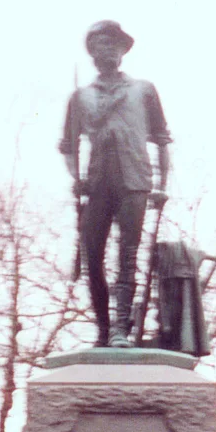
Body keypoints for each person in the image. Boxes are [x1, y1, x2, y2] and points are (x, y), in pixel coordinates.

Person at [59, 20, 171, 348]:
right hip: (97, 183)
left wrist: (162, 184)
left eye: (112, 44)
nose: (106, 50)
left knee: (128, 255)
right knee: (91, 255)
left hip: (134, 180)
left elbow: (162, 140)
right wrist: (76, 179)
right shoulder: (80, 98)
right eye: (99, 45)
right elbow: (69, 146)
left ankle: (121, 327)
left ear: (122, 51)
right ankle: (103, 328)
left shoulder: (144, 90)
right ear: (92, 52)